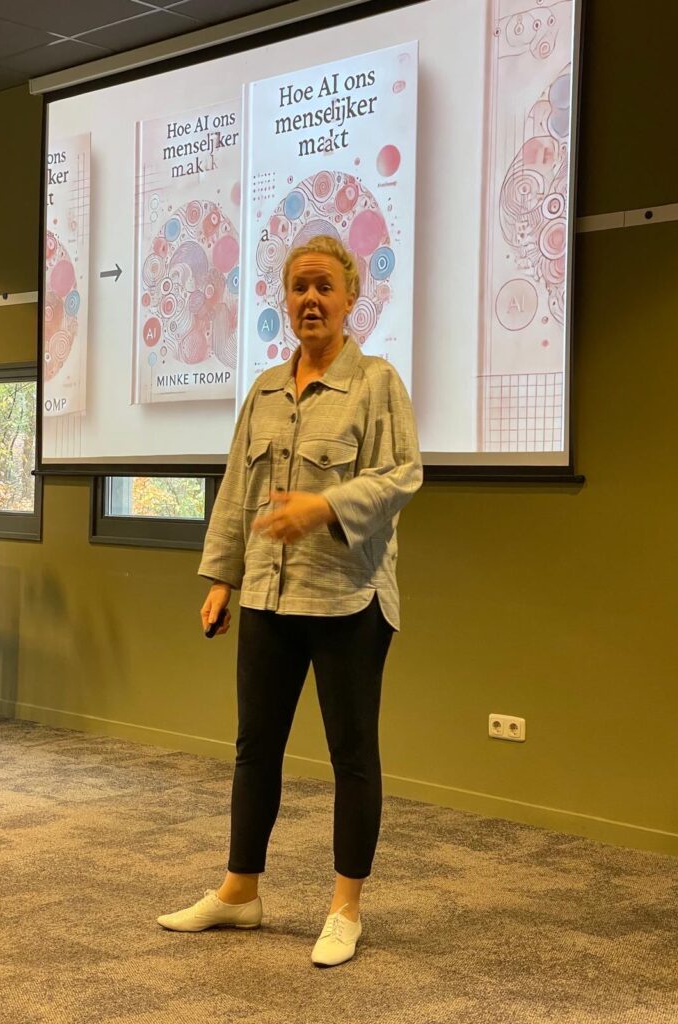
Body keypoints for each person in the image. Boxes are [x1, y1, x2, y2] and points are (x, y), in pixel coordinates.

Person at [157, 235, 422, 966]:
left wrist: (326, 506)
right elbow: (237, 492)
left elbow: (403, 475)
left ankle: (345, 907)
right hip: (269, 598)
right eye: (299, 287)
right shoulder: (265, 390)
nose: (311, 299)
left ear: (350, 297)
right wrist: (222, 579)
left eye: (324, 287)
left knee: (352, 756)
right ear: (285, 298)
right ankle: (240, 891)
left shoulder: (376, 383)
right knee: (255, 749)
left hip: (348, 601)